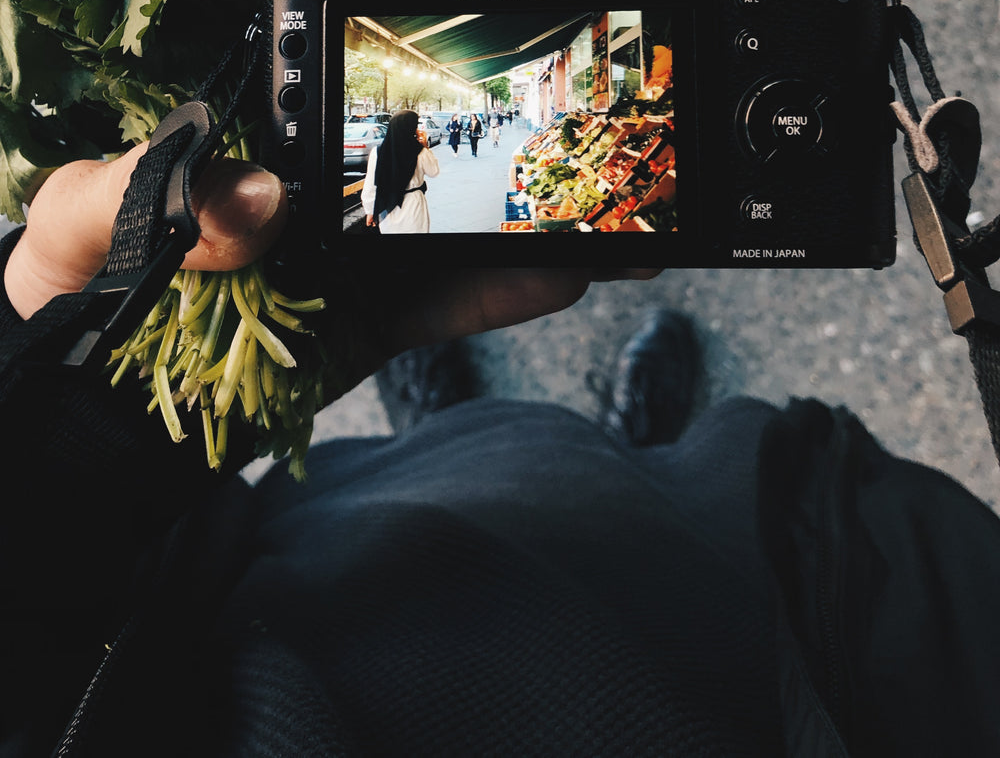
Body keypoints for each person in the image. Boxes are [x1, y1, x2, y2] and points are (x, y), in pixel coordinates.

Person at [4, 141, 1000, 754]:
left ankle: (564, 442)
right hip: (801, 635)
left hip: (342, 577)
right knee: (550, 483)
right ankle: (618, 446)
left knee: (462, 474)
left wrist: (76, 415)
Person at [361, 110, 439, 233]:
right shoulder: (420, 151)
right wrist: (425, 147)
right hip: (414, 204)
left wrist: (370, 211)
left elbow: (370, 184)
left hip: (387, 205)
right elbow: (434, 172)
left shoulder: (377, 152)